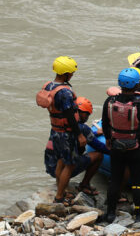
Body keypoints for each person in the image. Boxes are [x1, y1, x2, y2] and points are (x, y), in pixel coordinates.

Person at [101, 68, 140, 223]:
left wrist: (108, 139)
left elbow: (105, 124)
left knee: (115, 179)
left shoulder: (109, 102)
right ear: (136, 85)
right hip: (136, 148)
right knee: (138, 180)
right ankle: (139, 214)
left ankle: (110, 213)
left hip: (116, 146)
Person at [37, 56, 86, 205]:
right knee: (69, 164)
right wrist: (79, 135)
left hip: (55, 130)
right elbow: (70, 116)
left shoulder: (49, 86)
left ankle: (61, 190)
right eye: (71, 73)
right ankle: (59, 197)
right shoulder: (65, 92)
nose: (72, 75)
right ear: (66, 74)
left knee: (60, 161)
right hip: (66, 133)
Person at [43, 97, 107, 197]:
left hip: (50, 165)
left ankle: (60, 189)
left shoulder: (59, 123)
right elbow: (100, 147)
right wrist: (119, 150)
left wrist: (94, 133)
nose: (87, 117)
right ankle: (84, 185)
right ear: (81, 112)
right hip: (63, 167)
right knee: (99, 155)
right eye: (87, 114)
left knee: (62, 160)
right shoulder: (83, 128)